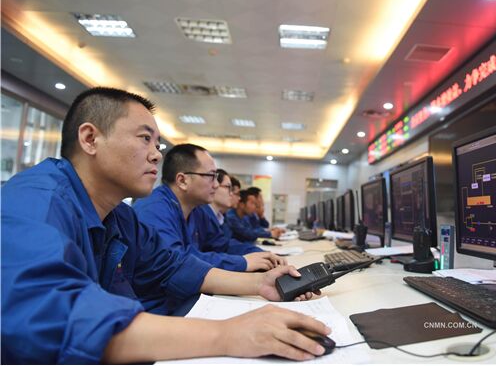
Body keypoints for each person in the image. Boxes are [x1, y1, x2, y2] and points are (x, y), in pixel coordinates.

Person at [1, 87, 329, 364]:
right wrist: (226, 334)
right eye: (145, 139)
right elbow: (52, 318)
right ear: (90, 138)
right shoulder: (37, 204)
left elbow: (172, 265)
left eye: (157, 145)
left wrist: (259, 284)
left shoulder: (119, 215)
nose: (157, 156)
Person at [133, 144, 285, 301]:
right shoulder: (153, 210)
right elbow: (179, 264)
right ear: (182, 180)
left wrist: (260, 254)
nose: (216, 185)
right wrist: (243, 263)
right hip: (160, 304)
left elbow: (221, 244)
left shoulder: (196, 209)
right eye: (211, 176)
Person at [192, 169, 269, 256]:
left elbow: (224, 244)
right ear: (213, 187)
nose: (232, 194)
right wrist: (245, 261)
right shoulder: (202, 215)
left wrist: (259, 253)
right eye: (228, 187)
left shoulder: (218, 216)